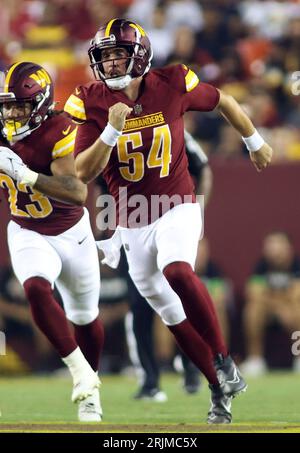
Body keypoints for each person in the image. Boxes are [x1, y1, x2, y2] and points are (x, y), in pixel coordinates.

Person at [64, 18, 273, 424]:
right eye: (103, 57)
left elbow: (225, 101)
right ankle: (217, 387)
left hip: (177, 202)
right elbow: (82, 174)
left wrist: (255, 141)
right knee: (170, 313)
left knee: (177, 269)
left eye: (117, 55)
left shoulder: (174, 81)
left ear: (138, 55)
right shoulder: (90, 100)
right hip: (131, 219)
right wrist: (110, 132)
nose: (108, 64)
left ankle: (224, 361)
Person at [0, 62, 104, 422]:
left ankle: (93, 390)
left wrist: (26, 175)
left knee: (85, 316)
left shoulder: (59, 128)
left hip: (72, 233)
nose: (11, 113)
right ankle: (80, 373)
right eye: (7, 105)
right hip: (27, 229)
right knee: (36, 289)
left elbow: (76, 192)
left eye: (20, 105)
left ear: (41, 104)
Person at [125, 131, 213, 401]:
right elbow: (98, 183)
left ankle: (192, 366)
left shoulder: (167, 121)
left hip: (170, 223)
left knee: (181, 296)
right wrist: (105, 223)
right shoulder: (108, 126)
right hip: (131, 225)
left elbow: (203, 168)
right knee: (140, 306)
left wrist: (196, 212)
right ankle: (150, 379)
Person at [241, 231, 300, 376]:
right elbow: (253, 293)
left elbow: (296, 295)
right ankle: (256, 360)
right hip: (269, 310)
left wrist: (271, 297)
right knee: (252, 310)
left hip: (291, 310)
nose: (274, 249)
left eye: (278, 244)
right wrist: (279, 305)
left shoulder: (297, 265)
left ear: (288, 248)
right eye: (271, 245)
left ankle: (298, 358)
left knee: (298, 310)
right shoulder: (261, 266)